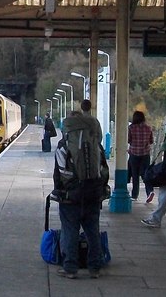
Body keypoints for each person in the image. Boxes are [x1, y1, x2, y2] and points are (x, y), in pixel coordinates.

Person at [52, 100, 109, 279]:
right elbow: (104, 170)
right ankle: (95, 268)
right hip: (93, 193)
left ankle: (70, 268)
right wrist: (100, 189)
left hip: (71, 197)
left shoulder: (63, 146)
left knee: (70, 230)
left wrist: (60, 191)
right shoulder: (96, 146)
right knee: (92, 231)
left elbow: (59, 173)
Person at [128, 110, 154, 202]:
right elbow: (151, 141)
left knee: (135, 175)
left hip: (134, 153)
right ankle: (150, 191)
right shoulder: (148, 128)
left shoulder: (131, 128)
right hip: (145, 154)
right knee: (146, 174)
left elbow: (128, 140)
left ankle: (134, 195)